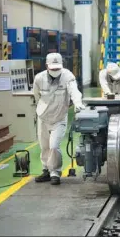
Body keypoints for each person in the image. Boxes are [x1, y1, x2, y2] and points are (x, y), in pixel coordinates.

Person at [33, 53, 85, 185]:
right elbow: (36, 96)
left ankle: (55, 172)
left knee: (54, 146)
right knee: (44, 146)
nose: (55, 71)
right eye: (53, 68)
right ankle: (46, 170)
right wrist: (42, 110)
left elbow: (74, 91)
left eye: (57, 68)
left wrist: (78, 104)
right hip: (43, 117)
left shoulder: (68, 76)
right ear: (46, 66)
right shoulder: (39, 78)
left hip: (59, 117)